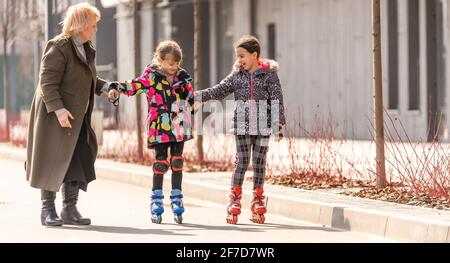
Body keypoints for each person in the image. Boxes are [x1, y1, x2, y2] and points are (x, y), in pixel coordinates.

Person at [26, 2, 109, 226]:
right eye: (93, 25)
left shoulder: (86, 46)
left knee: (77, 158)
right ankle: (47, 210)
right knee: (51, 158)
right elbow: (47, 83)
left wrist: (106, 87)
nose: (96, 29)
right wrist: (59, 110)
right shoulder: (59, 46)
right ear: (81, 25)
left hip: (77, 114)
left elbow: (87, 78)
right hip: (54, 113)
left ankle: (69, 209)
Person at [196, 35, 286, 224]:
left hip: (263, 126)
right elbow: (218, 90)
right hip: (241, 126)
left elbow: (277, 98)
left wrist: (278, 123)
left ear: (255, 55)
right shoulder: (237, 76)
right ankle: (235, 198)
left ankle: (258, 198)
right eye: (238, 57)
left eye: (242, 56)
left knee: (260, 162)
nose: (240, 60)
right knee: (243, 161)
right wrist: (198, 97)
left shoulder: (269, 75)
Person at [108, 40, 194, 224]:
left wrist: (194, 100)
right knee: (161, 162)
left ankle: (177, 198)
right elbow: (134, 86)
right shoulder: (151, 77)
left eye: (177, 63)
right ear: (160, 60)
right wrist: (116, 87)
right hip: (159, 124)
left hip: (179, 123)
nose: (174, 67)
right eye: (171, 63)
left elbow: (191, 96)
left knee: (177, 162)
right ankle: (156, 200)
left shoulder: (183, 77)